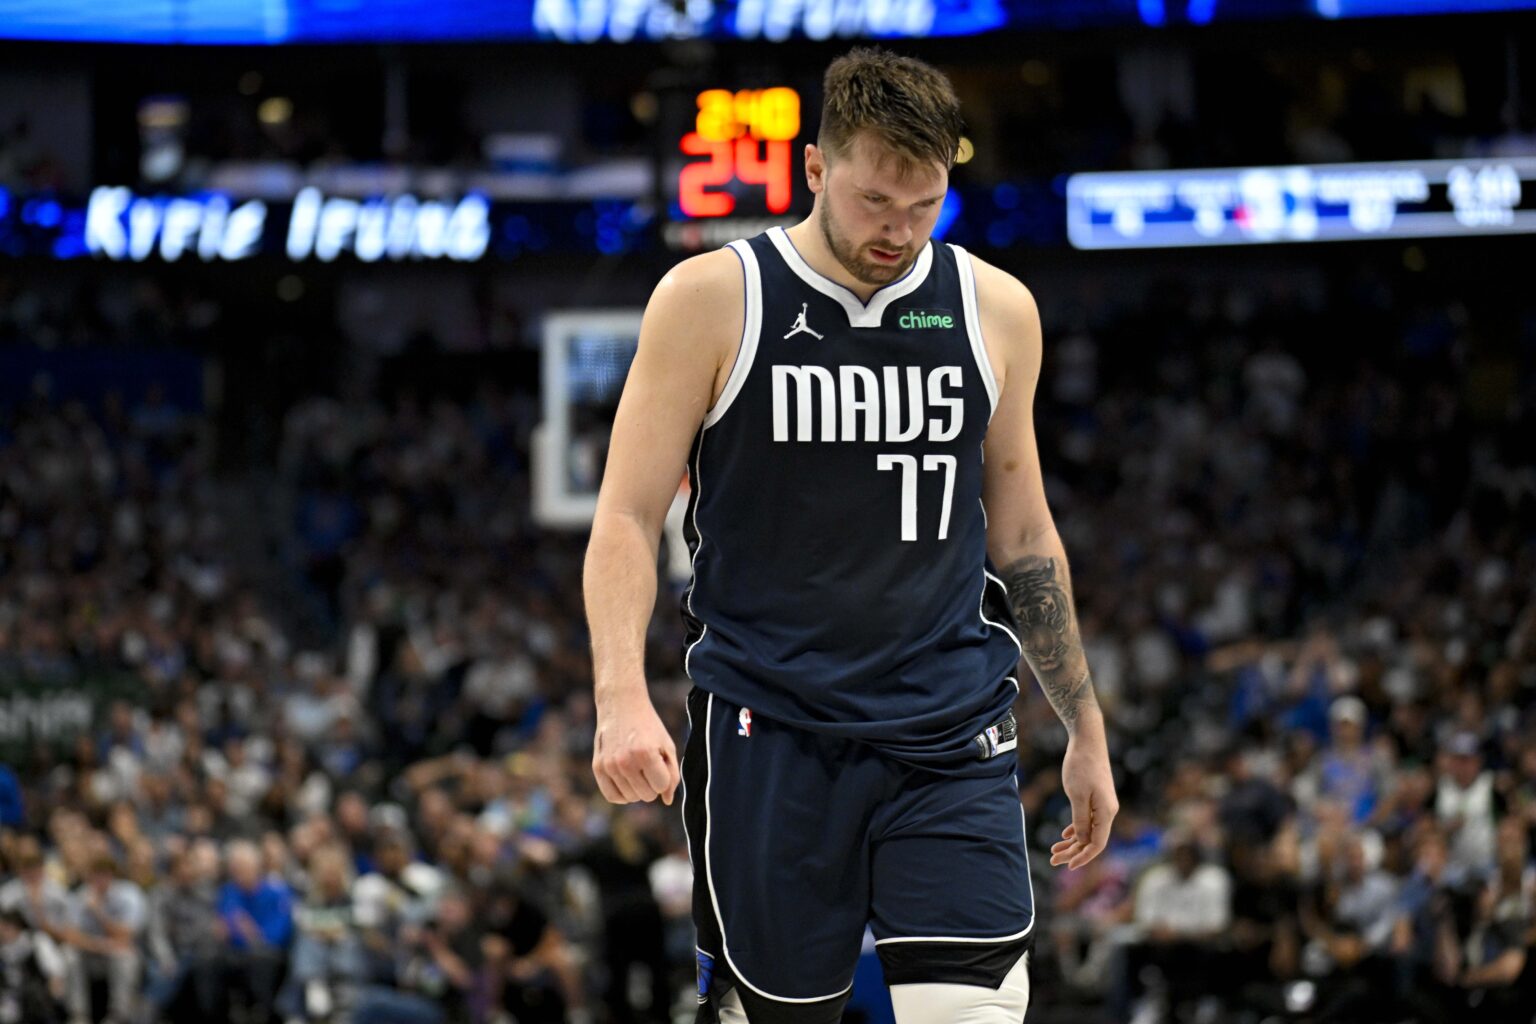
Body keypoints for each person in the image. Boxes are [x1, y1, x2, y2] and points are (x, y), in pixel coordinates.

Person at [584, 46, 1118, 1024]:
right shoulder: (712, 298)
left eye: (925, 205)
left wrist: (1084, 725)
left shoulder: (997, 309)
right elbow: (624, 514)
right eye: (876, 201)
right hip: (772, 728)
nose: (900, 231)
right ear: (817, 168)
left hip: (951, 729)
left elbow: (1026, 533)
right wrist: (620, 697)